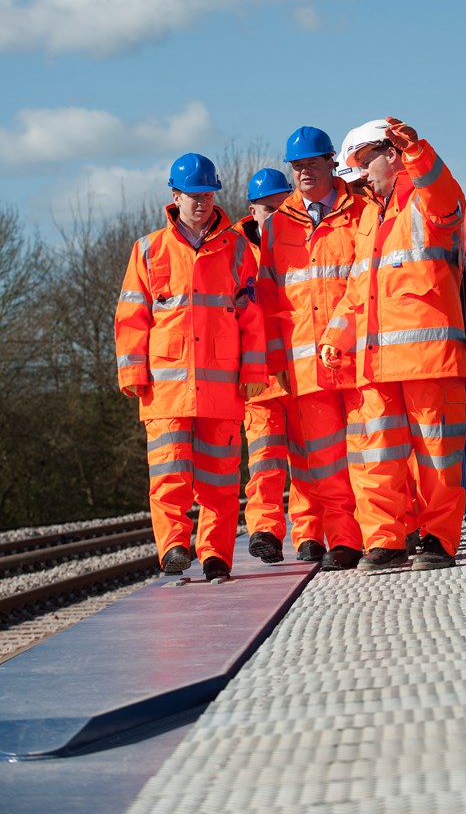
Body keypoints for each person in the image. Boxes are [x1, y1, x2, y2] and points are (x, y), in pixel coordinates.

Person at [320, 118, 466, 572]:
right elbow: (357, 291)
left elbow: (450, 205)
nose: (362, 175)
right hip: (375, 363)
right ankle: (385, 542)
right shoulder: (371, 216)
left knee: (436, 454)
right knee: (374, 455)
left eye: (366, 162)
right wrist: (335, 336)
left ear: (392, 154)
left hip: (428, 360)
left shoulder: (423, 200)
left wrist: (419, 153)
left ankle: (438, 540)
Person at [114, 153, 267, 580]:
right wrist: (132, 373)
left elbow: (251, 318)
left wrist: (255, 374)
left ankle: (216, 554)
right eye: (193, 194)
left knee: (219, 480)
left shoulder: (237, 249)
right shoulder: (148, 249)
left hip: (221, 387)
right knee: (169, 474)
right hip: (165, 389)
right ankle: (175, 548)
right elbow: (131, 316)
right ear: (174, 196)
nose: (201, 202)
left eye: (208, 193)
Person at [257, 126, 365, 570]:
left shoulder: (357, 211)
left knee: (370, 451)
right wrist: (272, 362)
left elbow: (364, 281)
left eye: (311, 164)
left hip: (357, 357)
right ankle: (344, 541)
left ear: (330, 161)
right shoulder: (279, 224)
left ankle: (388, 532)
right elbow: (267, 297)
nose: (303, 172)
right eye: (297, 167)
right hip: (307, 368)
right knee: (326, 462)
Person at [234, 169, 326, 564]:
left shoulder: (298, 241)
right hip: (258, 378)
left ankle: (309, 535)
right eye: (265, 209)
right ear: (251, 209)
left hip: (297, 369)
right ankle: (265, 532)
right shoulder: (234, 251)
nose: (272, 216)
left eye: (279, 207)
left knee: (307, 460)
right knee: (265, 461)